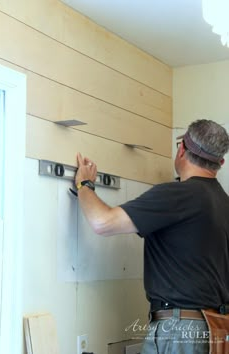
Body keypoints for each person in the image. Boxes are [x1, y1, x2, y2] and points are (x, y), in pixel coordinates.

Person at [74, 119, 229, 354]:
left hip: (179, 330)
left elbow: (102, 223)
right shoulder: (223, 203)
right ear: (220, 162)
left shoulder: (177, 195)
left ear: (181, 150)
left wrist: (84, 184)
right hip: (216, 328)